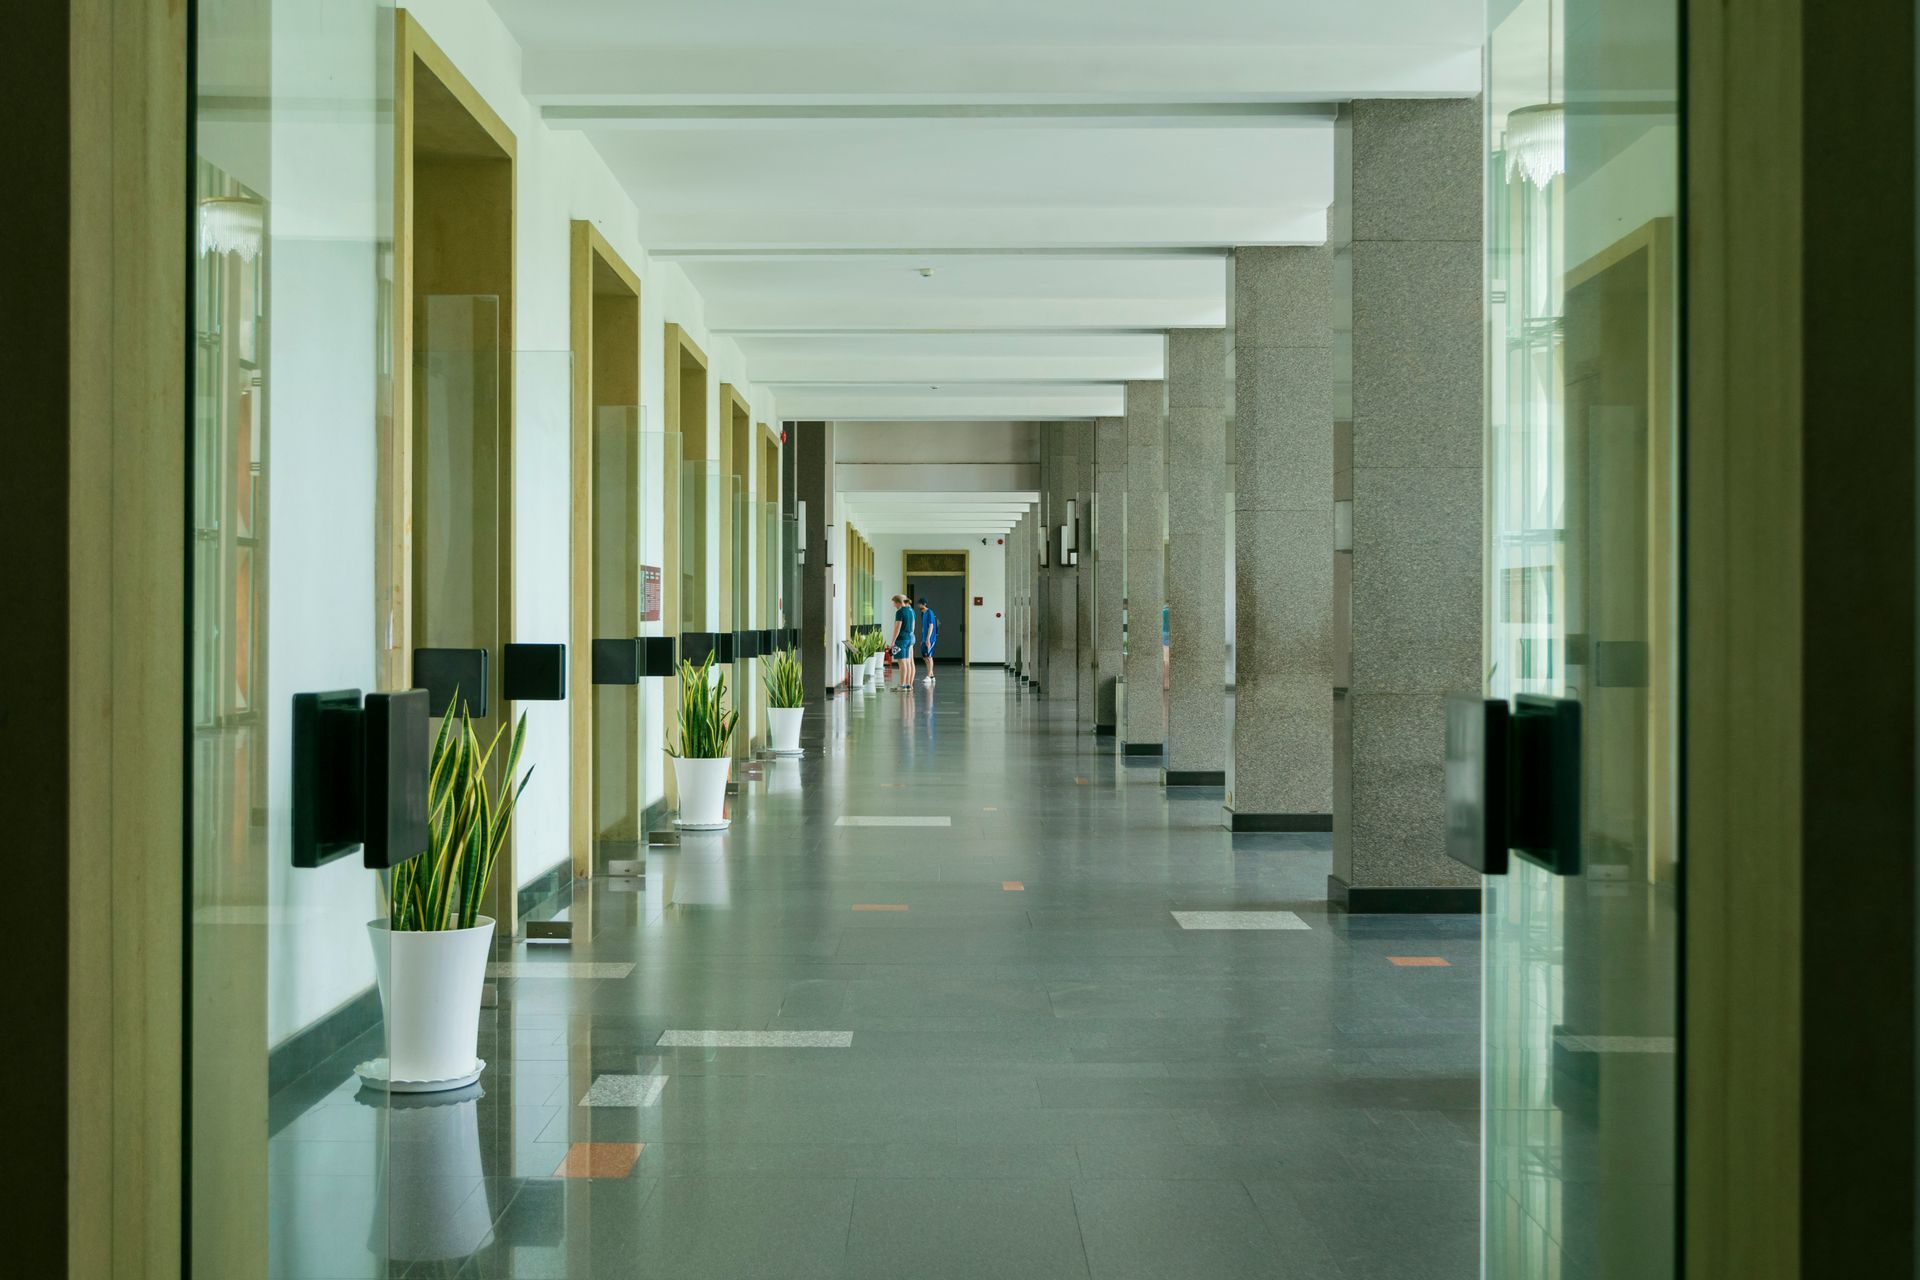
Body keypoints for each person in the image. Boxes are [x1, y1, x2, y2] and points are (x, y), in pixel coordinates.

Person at [887, 594, 916, 690]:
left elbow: (897, 628)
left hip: (901, 640)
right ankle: (908, 684)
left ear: (899, 602)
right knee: (908, 662)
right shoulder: (911, 611)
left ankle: (902, 685)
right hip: (909, 638)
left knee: (902, 662)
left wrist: (892, 642)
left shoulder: (900, 612)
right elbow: (912, 627)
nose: (893, 605)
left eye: (894, 603)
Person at [916, 597, 939, 684]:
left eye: (920, 603)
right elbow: (923, 628)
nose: (919, 605)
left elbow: (931, 626)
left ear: (924, 604)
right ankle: (932, 675)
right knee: (925, 657)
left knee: (929, 657)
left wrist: (928, 639)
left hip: (930, 638)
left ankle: (929, 676)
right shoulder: (922, 613)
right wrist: (923, 639)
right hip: (924, 639)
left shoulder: (929, 613)